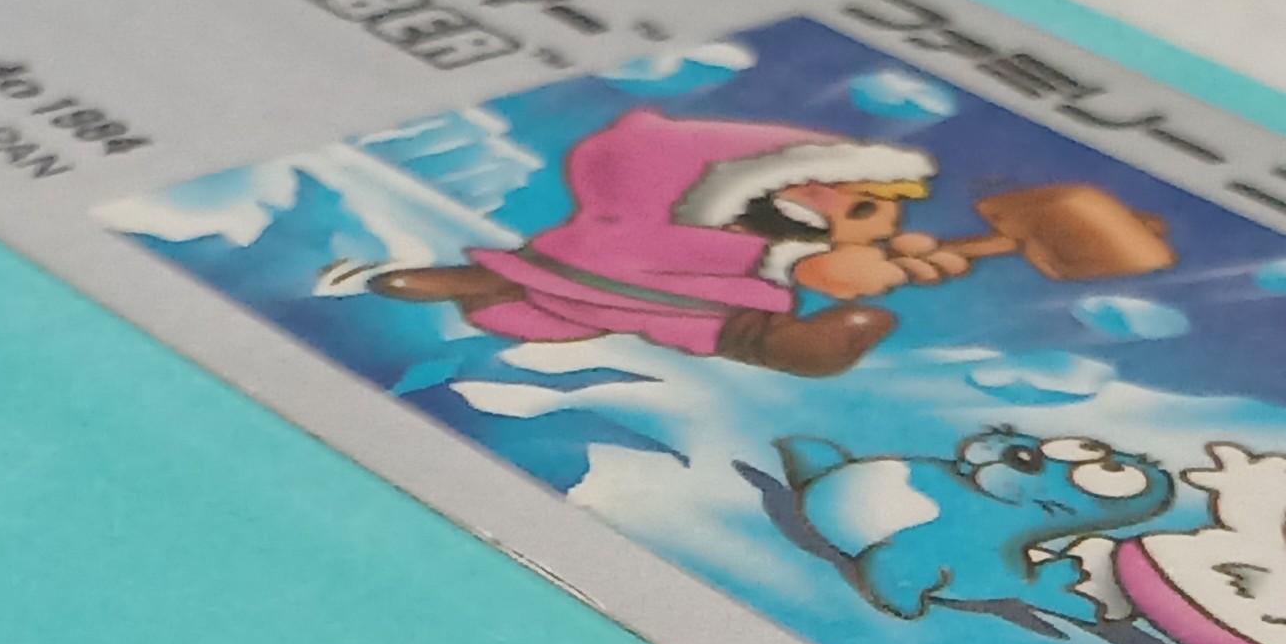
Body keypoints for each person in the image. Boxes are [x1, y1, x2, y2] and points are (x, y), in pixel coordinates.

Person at [369, 107, 983, 377]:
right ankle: (492, 280)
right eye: (867, 209)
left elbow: (837, 255)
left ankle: (495, 283)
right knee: (695, 320)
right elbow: (822, 269)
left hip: (686, 301)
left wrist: (905, 258)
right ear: (798, 190)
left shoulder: (783, 229)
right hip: (660, 282)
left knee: (671, 320)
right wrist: (838, 268)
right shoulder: (716, 234)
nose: (884, 228)